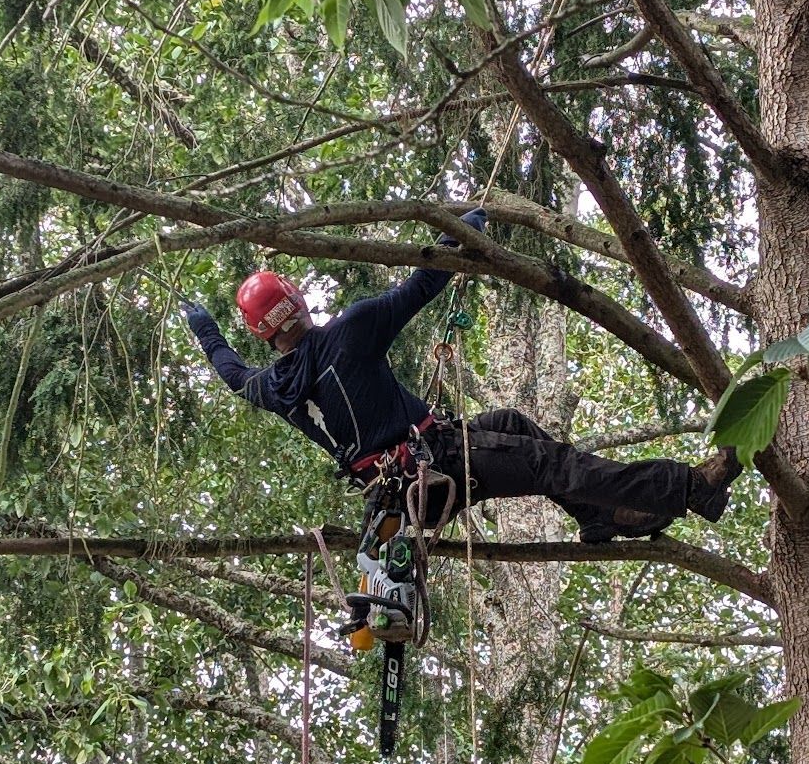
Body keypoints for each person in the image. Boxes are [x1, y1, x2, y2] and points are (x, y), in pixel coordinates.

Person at [180, 208, 742, 542]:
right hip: (433, 466)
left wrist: (205, 330)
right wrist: (458, 234)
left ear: (262, 332)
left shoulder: (277, 388)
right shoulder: (349, 331)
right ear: (299, 302)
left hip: (401, 500)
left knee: (511, 423)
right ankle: (690, 490)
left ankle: (598, 517)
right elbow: (422, 285)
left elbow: (233, 373)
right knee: (549, 463)